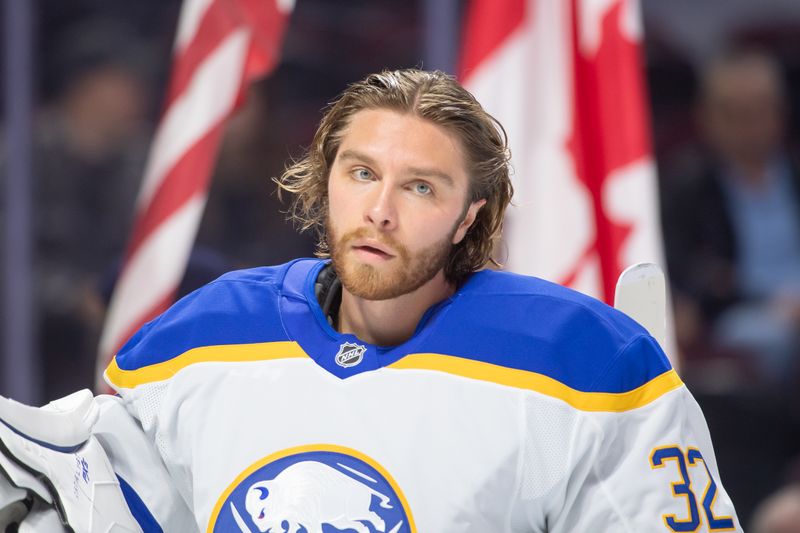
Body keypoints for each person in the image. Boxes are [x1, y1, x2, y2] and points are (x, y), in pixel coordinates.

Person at [0, 69, 740, 532]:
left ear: (470, 216)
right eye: (360, 173)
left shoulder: (583, 362)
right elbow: (102, 503)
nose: (380, 209)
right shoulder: (203, 336)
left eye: (421, 186)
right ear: (325, 181)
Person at [662, 48, 800, 388]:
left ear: (780, 113)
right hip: (741, 315)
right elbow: (687, 269)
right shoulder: (687, 186)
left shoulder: (794, 174)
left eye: (758, 111)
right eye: (734, 114)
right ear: (706, 116)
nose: (748, 126)